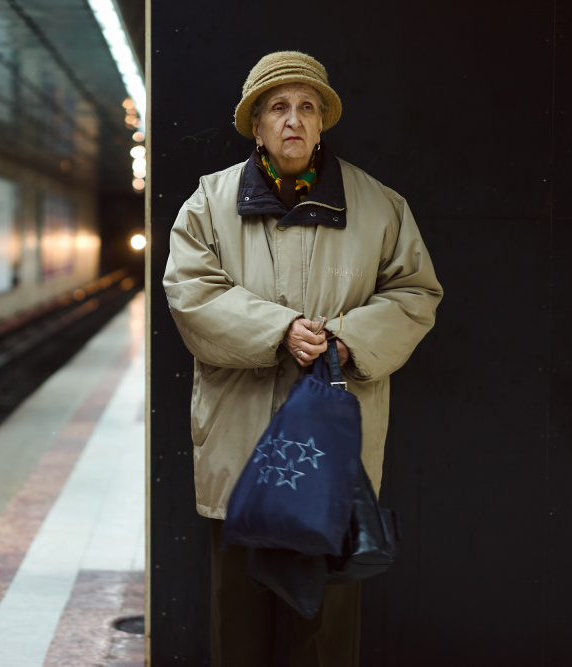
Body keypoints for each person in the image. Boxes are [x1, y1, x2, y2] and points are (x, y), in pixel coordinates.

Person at [163, 51, 443, 666]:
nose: (293, 120)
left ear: (322, 125)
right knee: (237, 621)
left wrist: (346, 340)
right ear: (256, 125)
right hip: (240, 451)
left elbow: (416, 294)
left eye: (307, 107)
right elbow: (189, 293)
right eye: (278, 108)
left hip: (329, 459)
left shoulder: (380, 207)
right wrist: (279, 329)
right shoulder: (208, 204)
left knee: (324, 629)